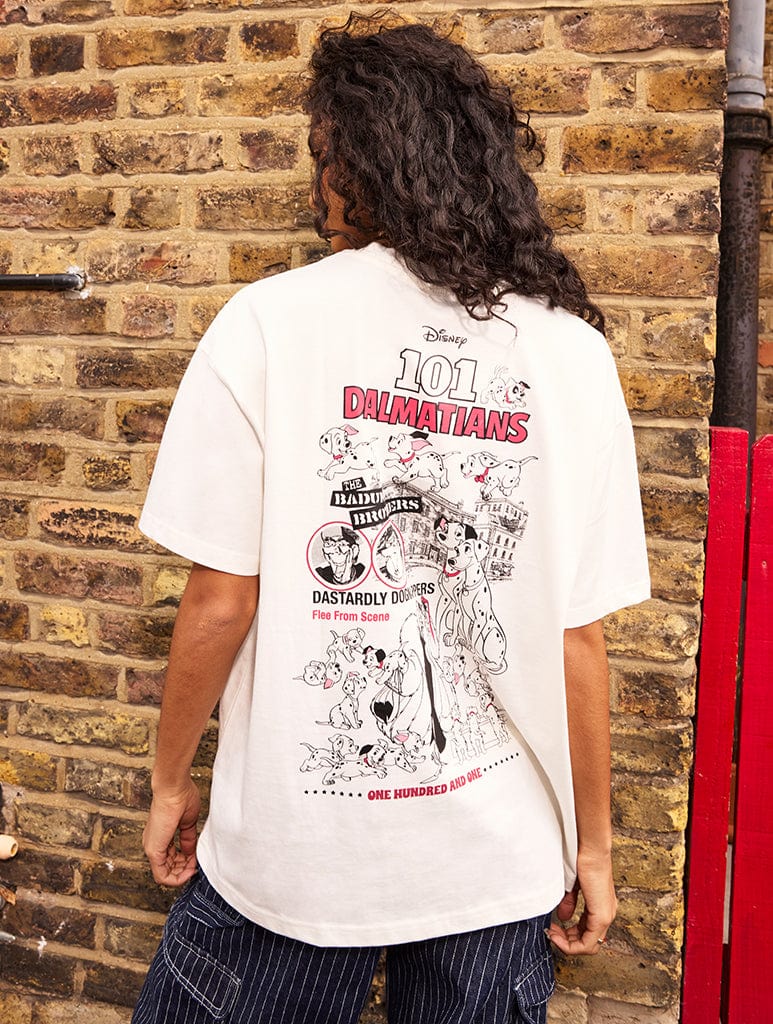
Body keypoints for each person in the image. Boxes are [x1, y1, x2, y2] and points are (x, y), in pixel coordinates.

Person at [132, 14, 650, 1024]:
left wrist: (168, 783)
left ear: (360, 164)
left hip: (298, 856)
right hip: (496, 860)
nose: (316, 186)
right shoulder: (570, 356)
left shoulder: (268, 324)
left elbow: (220, 601)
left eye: (322, 155)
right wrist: (591, 845)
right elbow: (574, 640)